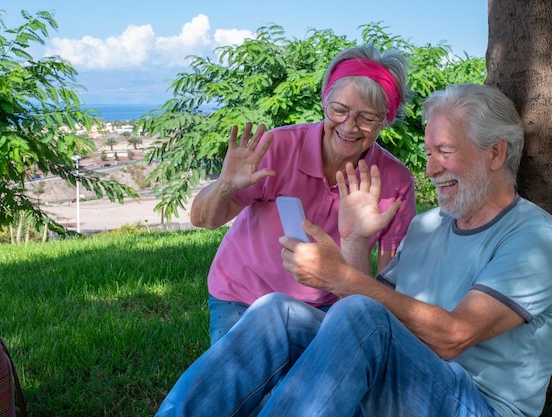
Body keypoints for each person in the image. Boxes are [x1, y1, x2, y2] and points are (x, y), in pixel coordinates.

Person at [156, 83, 552, 417]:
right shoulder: (428, 227)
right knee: (277, 310)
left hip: (477, 404)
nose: (431, 168)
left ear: (496, 153)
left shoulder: (534, 236)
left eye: (445, 151)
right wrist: (355, 240)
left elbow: (453, 336)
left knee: (361, 312)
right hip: (409, 378)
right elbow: (374, 309)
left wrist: (339, 276)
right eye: (429, 153)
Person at [190, 45, 417, 344]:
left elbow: (387, 291)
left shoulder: (394, 181)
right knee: (240, 389)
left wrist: (357, 244)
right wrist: (225, 185)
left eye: (367, 117)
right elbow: (202, 219)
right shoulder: (279, 147)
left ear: (385, 120)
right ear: (325, 102)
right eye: (340, 109)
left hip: (328, 306)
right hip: (243, 295)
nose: (350, 126)